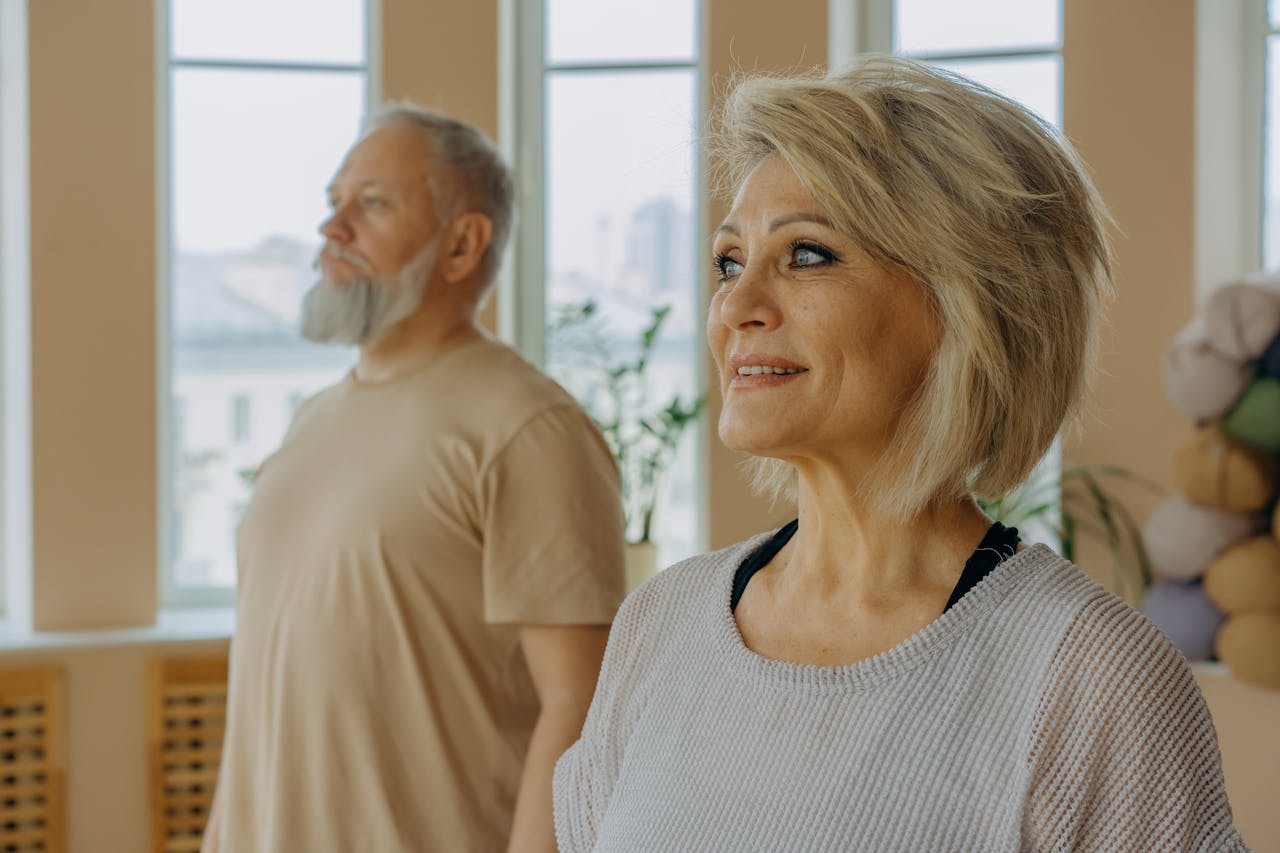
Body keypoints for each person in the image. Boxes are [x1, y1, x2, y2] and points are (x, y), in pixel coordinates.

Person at [554, 57, 1249, 852]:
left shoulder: (1088, 678)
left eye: (807, 254)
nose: (736, 307)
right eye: (729, 262)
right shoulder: (660, 622)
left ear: (968, 305)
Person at [202, 104, 627, 853]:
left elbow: (581, 705)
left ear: (462, 243)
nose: (333, 229)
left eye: (371, 204)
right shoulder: (312, 421)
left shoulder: (527, 426)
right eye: (334, 204)